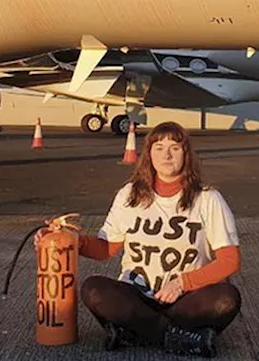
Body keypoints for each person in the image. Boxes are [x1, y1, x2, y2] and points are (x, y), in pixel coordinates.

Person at [70, 121, 242, 356]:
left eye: (175, 147)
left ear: (186, 154)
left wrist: (183, 282)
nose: (167, 154)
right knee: (94, 289)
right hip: (137, 297)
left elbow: (229, 261)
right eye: (158, 147)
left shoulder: (208, 198)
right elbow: (104, 248)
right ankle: (180, 337)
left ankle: (134, 333)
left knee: (226, 298)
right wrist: (72, 240)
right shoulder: (129, 195)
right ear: (149, 154)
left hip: (185, 300)